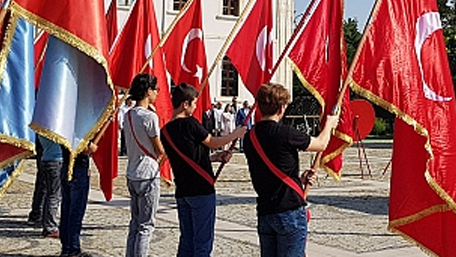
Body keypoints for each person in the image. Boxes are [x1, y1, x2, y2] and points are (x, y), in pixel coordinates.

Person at [243, 82, 339, 257]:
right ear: (281, 108)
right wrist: (329, 125)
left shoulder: (250, 137)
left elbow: (266, 169)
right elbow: (321, 144)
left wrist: (298, 179)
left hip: (265, 211)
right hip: (288, 210)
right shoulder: (284, 132)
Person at [161, 83, 246, 257]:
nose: (195, 107)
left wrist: (215, 158)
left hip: (183, 190)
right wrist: (235, 135)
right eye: (193, 104)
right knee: (202, 242)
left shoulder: (166, 131)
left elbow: (189, 157)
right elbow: (212, 142)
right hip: (201, 189)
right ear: (185, 104)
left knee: (187, 240)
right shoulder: (190, 123)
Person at [123, 74, 166, 257]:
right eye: (155, 90)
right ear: (148, 91)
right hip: (148, 173)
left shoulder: (128, 114)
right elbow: (158, 149)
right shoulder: (150, 117)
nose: (157, 93)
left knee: (135, 223)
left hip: (132, 172)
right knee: (146, 226)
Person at [59, 139, 98, 257]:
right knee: (75, 213)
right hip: (78, 169)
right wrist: (92, 146)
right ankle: (73, 248)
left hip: (66, 168)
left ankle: (66, 247)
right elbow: (86, 149)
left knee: (66, 210)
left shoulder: (63, 128)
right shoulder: (77, 132)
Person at [28, 135, 62, 238]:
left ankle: (43, 220)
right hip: (56, 159)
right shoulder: (54, 129)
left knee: (47, 192)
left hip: (46, 158)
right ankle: (50, 227)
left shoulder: (42, 126)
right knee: (54, 195)